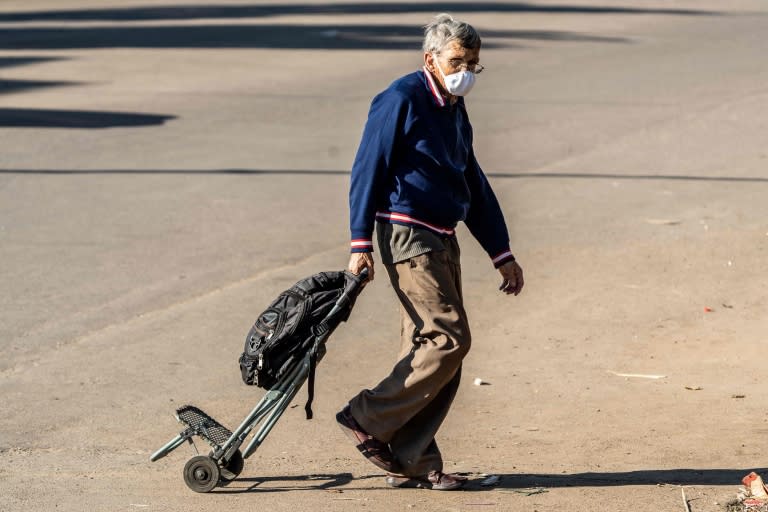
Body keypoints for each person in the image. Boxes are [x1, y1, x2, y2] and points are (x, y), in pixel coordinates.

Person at [336, 13, 525, 491]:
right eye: (457, 60)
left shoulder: (454, 108)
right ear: (431, 59)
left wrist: (501, 251)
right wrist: (360, 244)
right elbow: (367, 169)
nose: (465, 71)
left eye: (474, 64)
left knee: (432, 349)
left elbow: (472, 182)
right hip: (408, 232)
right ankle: (365, 415)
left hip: (442, 234)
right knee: (447, 338)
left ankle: (412, 459)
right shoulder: (402, 98)